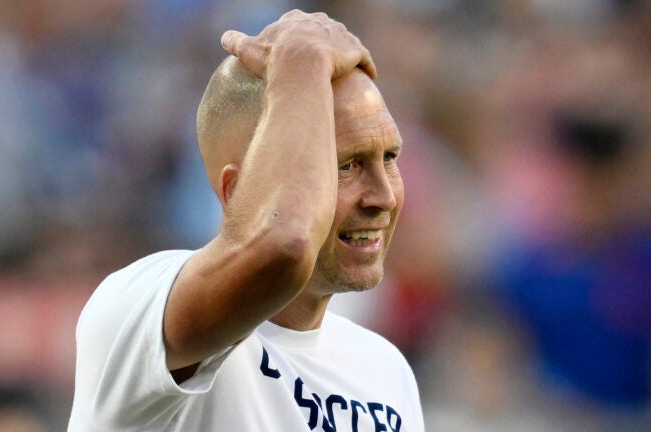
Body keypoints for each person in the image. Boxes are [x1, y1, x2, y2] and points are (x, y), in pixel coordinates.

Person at [67, 10, 424, 432]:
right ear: (239, 191)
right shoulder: (137, 306)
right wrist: (302, 59)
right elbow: (283, 244)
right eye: (345, 165)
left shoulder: (384, 369)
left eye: (389, 158)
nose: (384, 196)